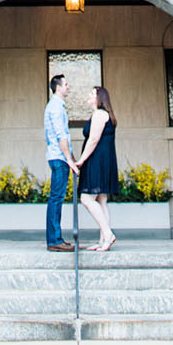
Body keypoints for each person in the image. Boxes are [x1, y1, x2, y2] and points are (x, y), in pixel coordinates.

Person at [74, 85, 119, 251]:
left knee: (87, 198)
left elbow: (93, 139)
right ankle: (103, 241)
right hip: (104, 160)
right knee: (101, 200)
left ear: (100, 98)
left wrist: (81, 160)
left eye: (92, 93)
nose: (89, 95)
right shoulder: (104, 115)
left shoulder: (100, 114)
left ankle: (108, 234)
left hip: (97, 160)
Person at [43, 73, 78, 252]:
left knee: (56, 198)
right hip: (59, 158)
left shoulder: (56, 106)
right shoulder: (56, 107)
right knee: (56, 199)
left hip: (58, 157)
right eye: (66, 84)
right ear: (58, 87)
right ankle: (54, 240)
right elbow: (61, 136)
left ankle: (56, 238)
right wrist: (70, 160)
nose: (68, 87)